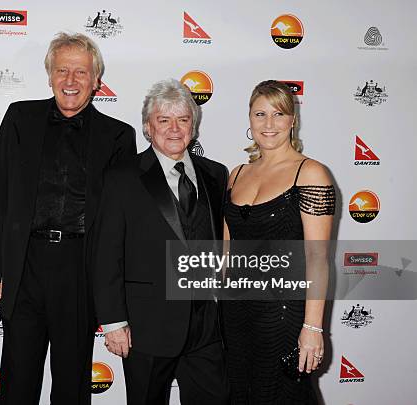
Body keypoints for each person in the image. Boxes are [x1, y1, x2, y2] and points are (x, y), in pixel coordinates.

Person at [0, 32, 136, 405]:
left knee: (72, 383)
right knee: (16, 380)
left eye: (80, 73)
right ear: (49, 76)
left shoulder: (118, 137)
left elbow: (118, 223)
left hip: (81, 269)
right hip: (25, 265)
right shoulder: (19, 117)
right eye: (62, 70)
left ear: (96, 81)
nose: (70, 81)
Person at [93, 79, 230, 404]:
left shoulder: (216, 174)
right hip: (147, 325)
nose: (174, 129)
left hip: (206, 325)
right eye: (163, 120)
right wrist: (113, 322)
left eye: (182, 119)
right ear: (147, 127)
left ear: (193, 127)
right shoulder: (122, 176)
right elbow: (105, 253)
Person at [222, 80, 335, 404]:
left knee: (281, 395)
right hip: (236, 314)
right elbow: (229, 253)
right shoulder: (237, 174)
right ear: (249, 120)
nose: (268, 124)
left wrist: (313, 328)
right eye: (260, 114)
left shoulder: (311, 173)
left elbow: (317, 259)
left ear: (292, 120)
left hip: (282, 313)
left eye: (278, 114)